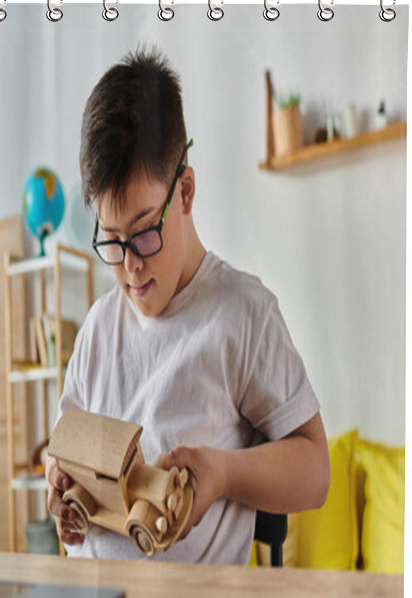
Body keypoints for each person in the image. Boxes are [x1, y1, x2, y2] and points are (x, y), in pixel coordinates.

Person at [46, 46, 330, 564]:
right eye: (110, 240)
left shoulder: (242, 313)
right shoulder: (97, 331)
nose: (129, 264)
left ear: (185, 192)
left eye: (143, 233)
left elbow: (315, 474)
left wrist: (222, 474)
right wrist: (59, 485)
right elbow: (63, 454)